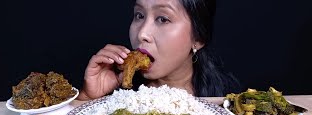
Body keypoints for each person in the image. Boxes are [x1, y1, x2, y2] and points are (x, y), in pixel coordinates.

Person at [78, 0, 240, 100]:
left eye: (163, 19)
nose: (142, 34)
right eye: (139, 15)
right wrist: (87, 97)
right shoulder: (119, 96)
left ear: (198, 38)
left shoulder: (227, 103)